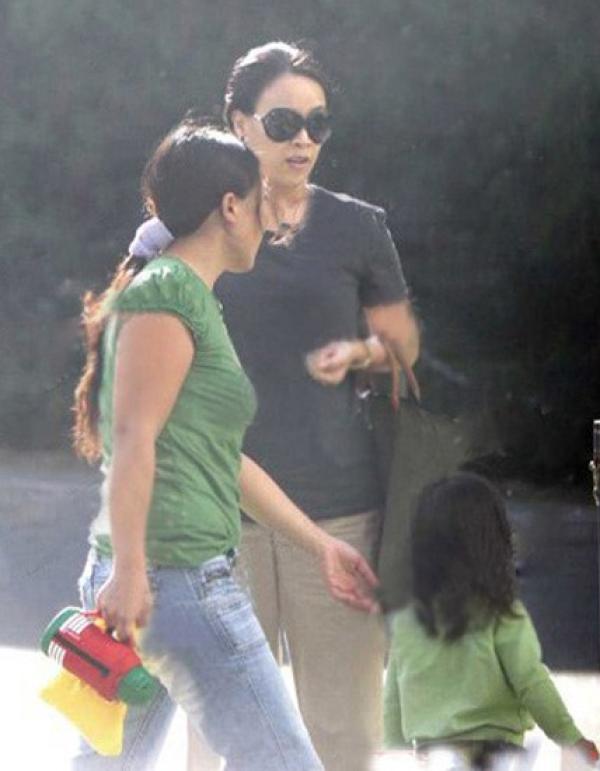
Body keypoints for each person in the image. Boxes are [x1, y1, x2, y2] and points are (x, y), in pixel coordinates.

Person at [71, 120, 380, 771]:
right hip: (175, 582)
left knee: (107, 766)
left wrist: (319, 544)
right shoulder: (167, 295)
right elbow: (132, 439)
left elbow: (223, 459)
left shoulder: (190, 298)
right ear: (231, 207)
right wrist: (129, 572)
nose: (272, 219)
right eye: (262, 200)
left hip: (162, 581)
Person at [213, 41, 421, 771]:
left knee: (343, 737)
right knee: (229, 739)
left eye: (317, 123)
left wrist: (358, 352)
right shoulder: (198, 224)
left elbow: (403, 348)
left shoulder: (358, 226)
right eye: (283, 122)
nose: (302, 139)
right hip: (220, 514)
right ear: (238, 123)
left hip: (338, 513)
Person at [383, 473, 599, 770]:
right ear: (495, 540)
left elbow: (393, 701)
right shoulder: (502, 614)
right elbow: (531, 682)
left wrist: (397, 753)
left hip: (431, 756)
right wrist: (571, 738)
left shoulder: (408, 620)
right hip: (495, 755)